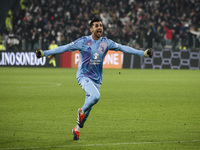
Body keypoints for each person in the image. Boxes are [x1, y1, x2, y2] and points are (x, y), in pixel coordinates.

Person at [35, 18, 153, 141]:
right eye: (96, 25)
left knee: (86, 114)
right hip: (84, 76)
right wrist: (45, 53)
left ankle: (76, 129)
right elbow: (64, 48)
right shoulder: (83, 41)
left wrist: (142, 53)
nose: (99, 27)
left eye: (101, 25)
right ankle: (81, 110)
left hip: (97, 80)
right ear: (91, 29)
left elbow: (123, 48)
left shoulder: (106, 43)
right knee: (95, 97)